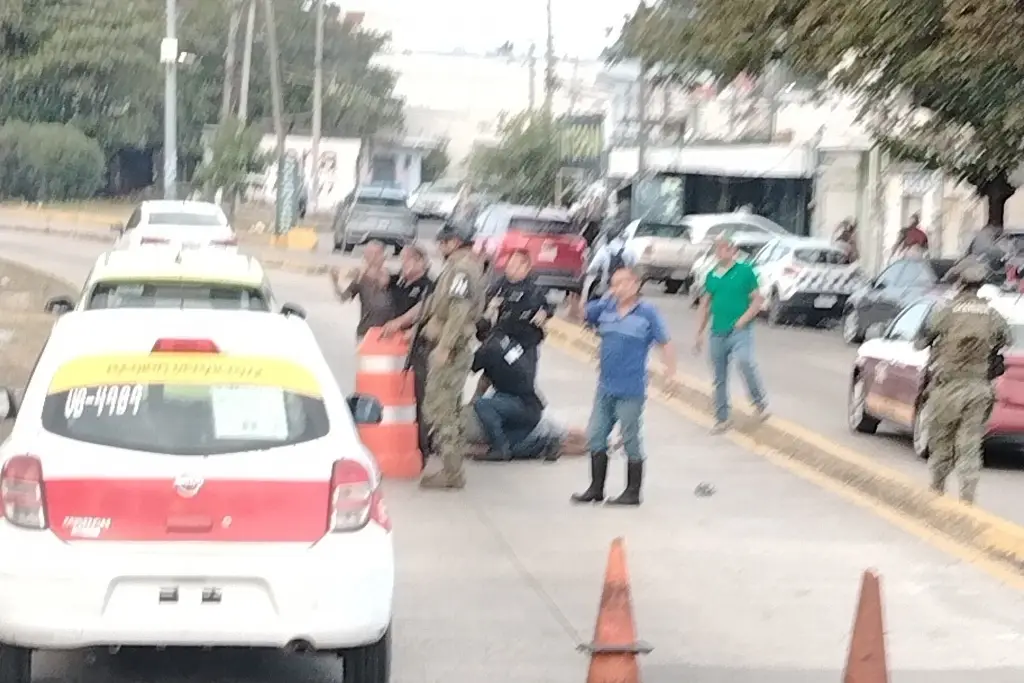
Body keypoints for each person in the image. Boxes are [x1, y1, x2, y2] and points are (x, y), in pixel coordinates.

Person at [571, 267, 676, 507]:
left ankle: (632, 491)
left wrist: (670, 374)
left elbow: (666, 343)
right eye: (614, 284)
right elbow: (583, 314)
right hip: (605, 385)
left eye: (623, 283)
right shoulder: (606, 308)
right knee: (596, 434)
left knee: (630, 437)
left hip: (630, 388)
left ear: (636, 284)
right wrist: (595, 297)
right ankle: (596, 488)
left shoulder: (647, 313)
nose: (618, 288)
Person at [914, 257, 1011, 504]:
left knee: (941, 443)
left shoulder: (945, 312)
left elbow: (920, 342)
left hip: (947, 388)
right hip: (978, 388)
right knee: (970, 445)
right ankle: (967, 499)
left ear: (959, 283)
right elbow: (1006, 339)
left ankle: (936, 491)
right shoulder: (992, 315)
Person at [414, 221, 486, 490]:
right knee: (448, 406)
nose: (439, 247)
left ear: (454, 242)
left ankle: (452, 472)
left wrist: (444, 347)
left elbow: (458, 311)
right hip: (452, 346)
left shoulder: (461, 270)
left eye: (443, 242)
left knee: (439, 407)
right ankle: (452, 468)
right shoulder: (461, 267)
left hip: (452, 349)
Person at [694, 236, 770, 434]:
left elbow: (757, 299)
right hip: (717, 332)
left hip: (739, 330)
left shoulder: (745, 271)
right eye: (718, 249)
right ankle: (722, 418)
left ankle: (759, 403)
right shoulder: (713, 275)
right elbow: (705, 304)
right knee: (719, 377)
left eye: (725, 248)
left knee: (745, 361)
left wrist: (744, 319)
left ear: (733, 251)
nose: (721, 252)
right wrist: (699, 332)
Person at [469, 319, 557, 461]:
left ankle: (500, 449)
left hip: (519, 405)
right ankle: (545, 443)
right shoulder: (502, 336)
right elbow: (487, 376)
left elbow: (466, 368)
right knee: (511, 446)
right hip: (532, 407)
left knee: (482, 405)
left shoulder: (486, 350)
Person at [380, 245, 435, 465]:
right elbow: (379, 278)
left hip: (418, 348)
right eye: (402, 260)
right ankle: (400, 441)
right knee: (397, 396)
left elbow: (425, 311)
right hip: (394, 350)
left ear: (421, 262)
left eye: (409, 260)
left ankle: (423, 446)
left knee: (419, 396)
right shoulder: (400, 282)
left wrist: (404, 325)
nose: (404, 265)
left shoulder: (428, 286)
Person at [485, 249, 553, 375]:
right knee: (490, 374)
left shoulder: (535, 286)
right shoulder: (502, 283)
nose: (509, 269)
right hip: (503, 336)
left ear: (525, 268)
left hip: (525, 340)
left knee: (523, 378)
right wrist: (491, 304)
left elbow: (548, 306)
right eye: (509, 265)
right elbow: (486, 298)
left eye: (514, 266)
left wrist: (543, 313)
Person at [329, 240, 394, 343]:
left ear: (383, 255)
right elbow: (343, 298)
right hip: (366, 331)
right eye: (369, 254)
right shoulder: (360, 278)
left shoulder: (391, 276)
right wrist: (335, 282)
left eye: (376, 254)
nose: (372, 257)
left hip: (387, 332)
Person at [585, 226, 633, 301]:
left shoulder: (603, 251)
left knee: (592, 301)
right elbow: (632, 268)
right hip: (621, 291)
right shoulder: (629, 252)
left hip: (603, 289)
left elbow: (592, 269)